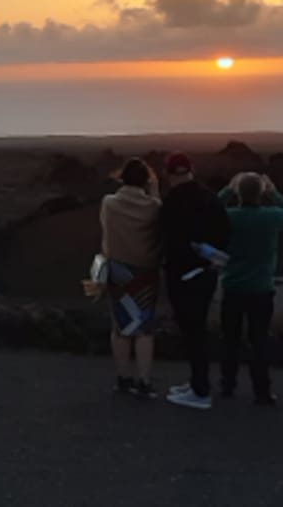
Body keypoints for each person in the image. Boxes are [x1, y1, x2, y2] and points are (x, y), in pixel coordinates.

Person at [217, 172, 283, 406]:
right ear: (261, 193)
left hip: (233, 286)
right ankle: (262, 390)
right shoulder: (271, 217)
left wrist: (227, 190)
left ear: (239, 194)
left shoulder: (229, 216)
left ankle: (228, 384)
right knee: (259, 341)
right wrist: (274, 193)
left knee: (230, 339)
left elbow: (208, 212)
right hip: (261, 289)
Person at [160, 152, 230, 411]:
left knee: (193, 334)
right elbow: (225, 233)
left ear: (168, 174)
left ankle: (200, 392)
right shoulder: (210, 197)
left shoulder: (171, 203)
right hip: (206, 274)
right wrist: (211, 258)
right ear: (191, 170)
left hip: (182, 276)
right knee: (196, 330)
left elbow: (169, 241)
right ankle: (195, 383)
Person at [100, 158, 163, 399]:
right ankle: (145, 382)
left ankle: (123, 379)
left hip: (118, 272)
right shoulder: (153, 207)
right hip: (145, 272)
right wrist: (155, 190)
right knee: (144, 328)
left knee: (121, 327)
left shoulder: (109, 203)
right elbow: (159, 222)